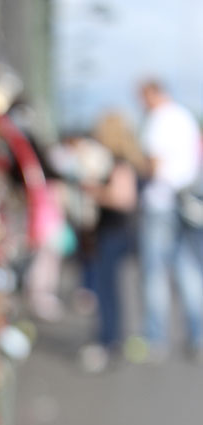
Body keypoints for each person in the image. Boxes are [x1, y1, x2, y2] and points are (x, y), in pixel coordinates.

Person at [138, 80, 203, 359]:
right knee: (188, 269)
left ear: (152, 94)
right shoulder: (186, 117)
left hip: (161, 201)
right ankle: (197, 336)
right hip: (186, 201)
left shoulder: (158, 120)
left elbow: (153, 165)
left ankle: (156, 338)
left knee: (155, 272)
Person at [79, 113, 146, 372]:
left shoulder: (120, 163)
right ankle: (110, 338)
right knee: (111, 289)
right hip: (118, 232)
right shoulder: (127, 161)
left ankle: (108, 340)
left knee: (107, 290)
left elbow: (123, 199)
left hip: (114, 231)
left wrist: (94, 191)